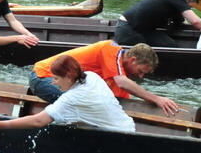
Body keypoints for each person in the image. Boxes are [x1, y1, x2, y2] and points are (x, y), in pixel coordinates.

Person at [0, 55, 135, 133]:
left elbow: (38, 121)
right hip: (129, 127)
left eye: (56, 78)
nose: (53, 83)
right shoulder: (92, 76)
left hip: (117, 137)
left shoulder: (70, 98)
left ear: (69, 76)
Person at [28, 41, 179, 116]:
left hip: (61, 83)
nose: (140, 76)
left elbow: (120, 102)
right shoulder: (110, 49)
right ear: (132, 60)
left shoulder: (117, 74)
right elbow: (122, 82)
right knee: (81, 105)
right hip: (43, 77)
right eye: (140, 71)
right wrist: (156, 99)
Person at [115, 0, 201, 47]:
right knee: (145, 53)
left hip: (144, 30)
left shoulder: (173, 5)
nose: (188, 8)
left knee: (170, 45)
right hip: (128, 29)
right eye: (189, 7)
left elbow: (179, 22)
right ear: (187, 0)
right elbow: (195, 21)